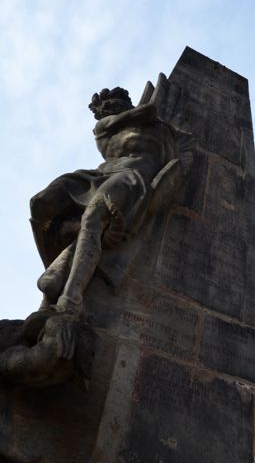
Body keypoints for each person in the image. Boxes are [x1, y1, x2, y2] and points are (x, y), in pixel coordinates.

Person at [30, 74, 180, 316]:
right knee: (40, 203)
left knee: (94, 216)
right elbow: (148, 110)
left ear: (127, 103)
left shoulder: (160, 129)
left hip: (132, 176)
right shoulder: (105, 125)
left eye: (113, 104)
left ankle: (71, 298)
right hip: (98, 175)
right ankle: (61, 259)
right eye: (104, 108)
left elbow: (171, 161)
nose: (108, 109)